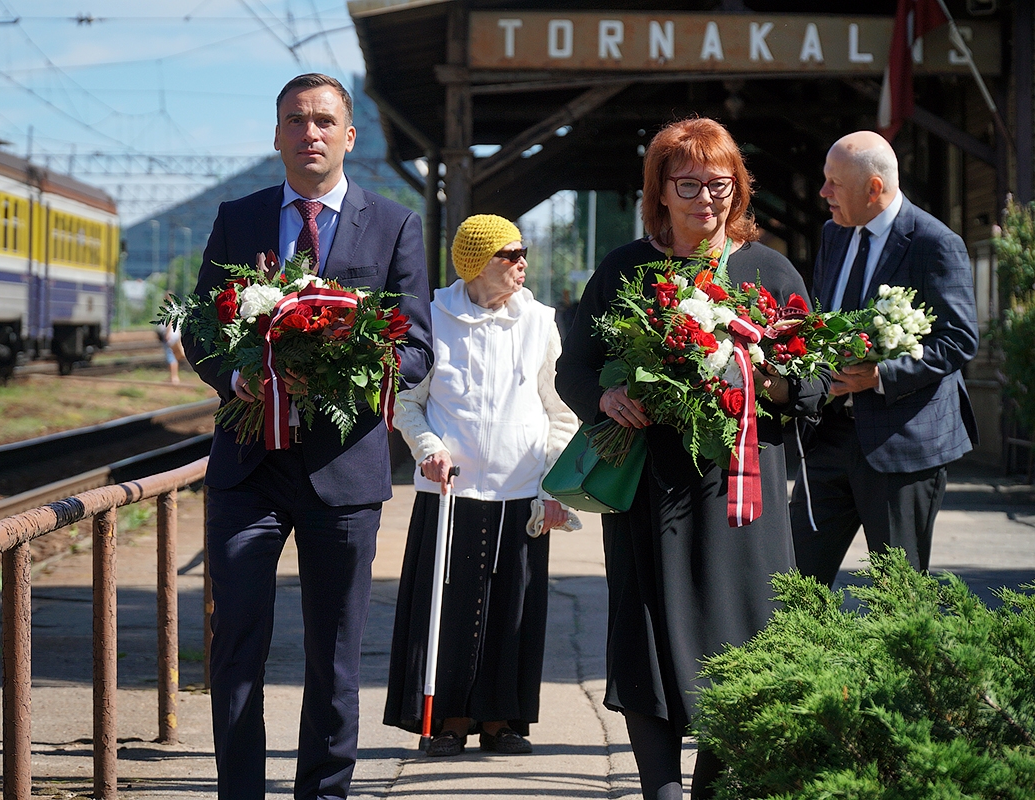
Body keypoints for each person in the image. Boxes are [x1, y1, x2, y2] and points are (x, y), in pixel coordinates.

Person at [556, 118, 827, 800]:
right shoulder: (626, 269)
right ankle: (659, 790)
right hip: (650, 485)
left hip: (742, 487)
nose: (707, 199)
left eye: (721, 184)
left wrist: (776, 383)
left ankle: (715, 783)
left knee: (745, 632)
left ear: (738, 189)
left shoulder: (768, 268)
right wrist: (607, 396)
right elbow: (574, 369)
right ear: (661, 192)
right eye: (689, 184)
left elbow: (817, 377)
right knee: (647, 631)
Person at [182, 73, 433, 800]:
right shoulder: (240, 217)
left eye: (324, 120)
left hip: (343, 474)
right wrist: (234, 378)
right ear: (277, 135)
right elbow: (201, 325)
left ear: (349, 137)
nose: (310, 133)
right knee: (235, 650)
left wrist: (351, 368)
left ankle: (324, 795)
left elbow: (417, 346)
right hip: (247, 471)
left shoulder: (394, 224)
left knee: (335, 657)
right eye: (296, 120)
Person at [383, 214, 580, 757]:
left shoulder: (540, 320)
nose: (522, 263)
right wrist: (428, 451)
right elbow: (407, 403)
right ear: (475, 265)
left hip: (520, 490)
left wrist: (553, 480)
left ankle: (501, 721)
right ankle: (448, 719)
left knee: (512, 608)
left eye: (522, 253)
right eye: (508, 255)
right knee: (445, 606)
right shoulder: (432, 318)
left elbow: (559, 410)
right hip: (452, 491)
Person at [789, 131, 978, 587]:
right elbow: (823, 316)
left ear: (874, 188)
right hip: (829, 436)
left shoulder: (935, 242)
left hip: (902, 447)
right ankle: (794, 661)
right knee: (793, 584)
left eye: (834, 183)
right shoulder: (833, 234)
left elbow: (958, 338)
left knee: (899, 596)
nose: (823, 193)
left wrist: (880, 376)